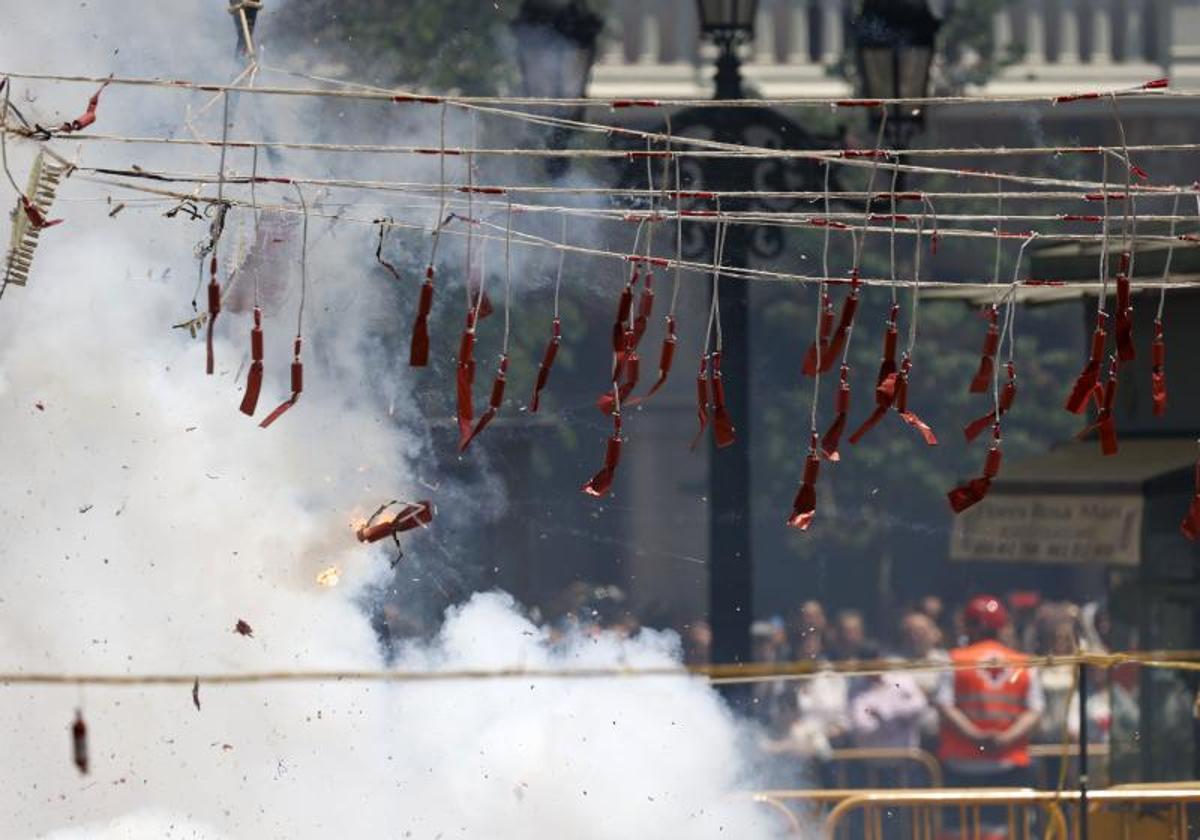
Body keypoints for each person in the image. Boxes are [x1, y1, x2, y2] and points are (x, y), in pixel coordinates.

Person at [937, 595, 1044, 836]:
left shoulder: (954, 659)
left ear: (968, 625)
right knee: (1009, 832)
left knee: (960, 832)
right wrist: (1005, 738)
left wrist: (976, 736)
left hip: (961, 763)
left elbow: (945, 706)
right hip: (1008, 761)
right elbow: (1034, 710)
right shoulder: (1024, 663)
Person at [899, 611, 949, 750]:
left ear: (933, 633)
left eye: (921, 631)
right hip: (904, 741)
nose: (915, 636)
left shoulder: (946, 661)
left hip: (940, 738)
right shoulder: (893, 664)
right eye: (910, 631)